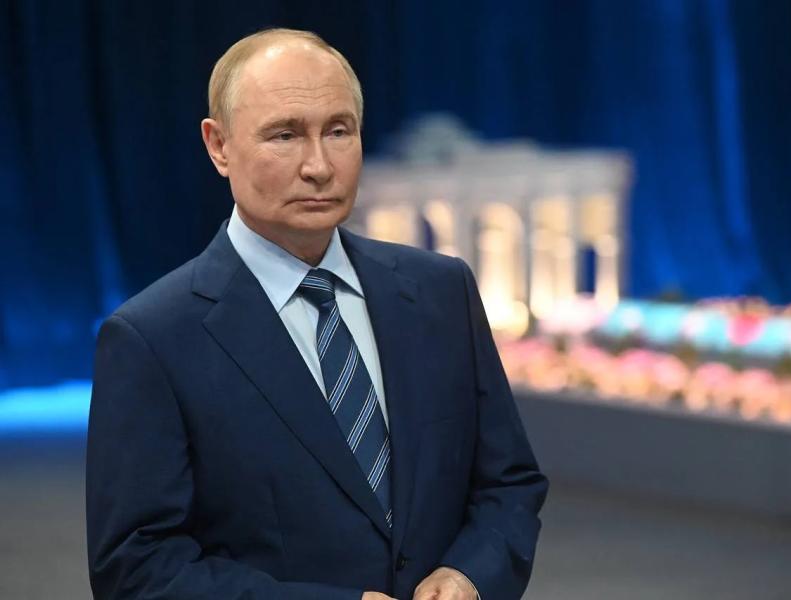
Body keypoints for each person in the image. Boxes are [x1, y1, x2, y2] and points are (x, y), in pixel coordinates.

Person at [86, 28, 548, 600]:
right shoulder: (151, 339)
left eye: (338, 131)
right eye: (285, 135)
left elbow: (509, 484)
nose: (319, 166)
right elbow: (137, 569)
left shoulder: (441, 291)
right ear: (218, 145)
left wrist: (469, 576)